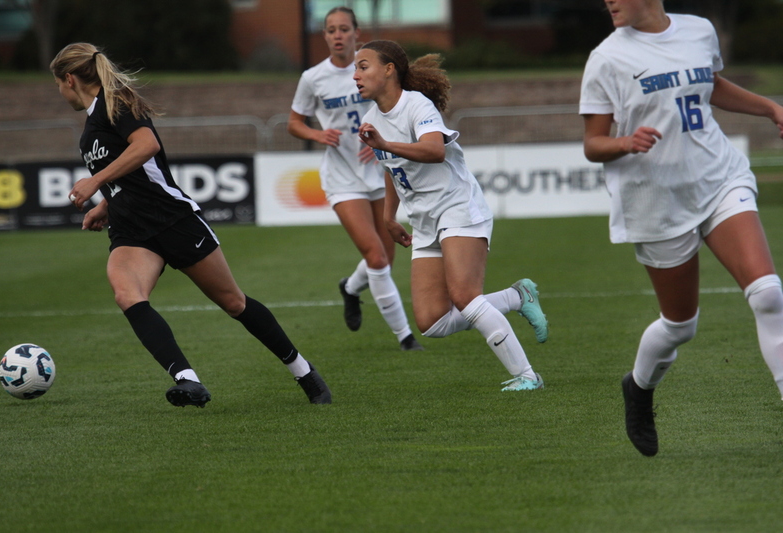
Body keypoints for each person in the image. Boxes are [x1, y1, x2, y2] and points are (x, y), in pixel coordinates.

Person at [51, 43, 332, 407]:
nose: (58, 92)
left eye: (57, 84)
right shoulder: (90, 126)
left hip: (171, 218)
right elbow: (132, 174)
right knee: (127, 294)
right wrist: (106, 201)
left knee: (233, 302)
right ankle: (188, 380)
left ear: (69, 79)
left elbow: (147, 145)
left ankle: (304, 371)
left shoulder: (116, 101)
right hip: (131, 229)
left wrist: (94, 181)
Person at [580, 0, 783, 455]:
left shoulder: (698, 30)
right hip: (655, 199)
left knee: (769, 294)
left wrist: (769, 107)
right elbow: (593, 144)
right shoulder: (607, 58)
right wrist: (624, 142)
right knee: (680, 325)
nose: (608, 1)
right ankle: (639, 387)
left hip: (718, 177)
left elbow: (708, 85)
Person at [353, 40, 549, 392]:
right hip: (424, 220)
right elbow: (391, 168)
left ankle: (528, 376)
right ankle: (517, 297)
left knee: (465, 296)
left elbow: (434, 150)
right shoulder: (370, 119)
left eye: (363, 66)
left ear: (389, 69)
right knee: (432, 322)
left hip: (457, 206)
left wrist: (385, 145)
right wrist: (388, 215)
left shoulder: (416, 105)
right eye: (355, 68)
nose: (355, 75)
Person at [287, 7, 423, 351]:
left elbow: (394, 108)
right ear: (325, 36)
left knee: (386, 260)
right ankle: (406, 338)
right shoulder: (313, 77)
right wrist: (319, 136)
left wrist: (381, 141)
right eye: (331, 29)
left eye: (344, 29)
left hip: (379, 171)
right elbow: (294, 123)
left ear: (356, 34)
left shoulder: (373, 69)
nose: (337, 35)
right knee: (376, 257)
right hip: (341, 177)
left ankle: (350, 288)